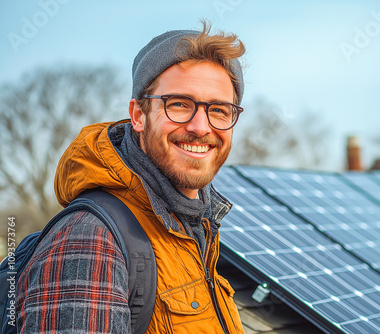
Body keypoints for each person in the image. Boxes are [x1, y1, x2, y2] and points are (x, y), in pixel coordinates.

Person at [16, 21, 246, 333]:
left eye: (219, 110)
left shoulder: (196, 230)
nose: (201, 127)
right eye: (179, 104)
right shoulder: (92, 238)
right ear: (139, 115)